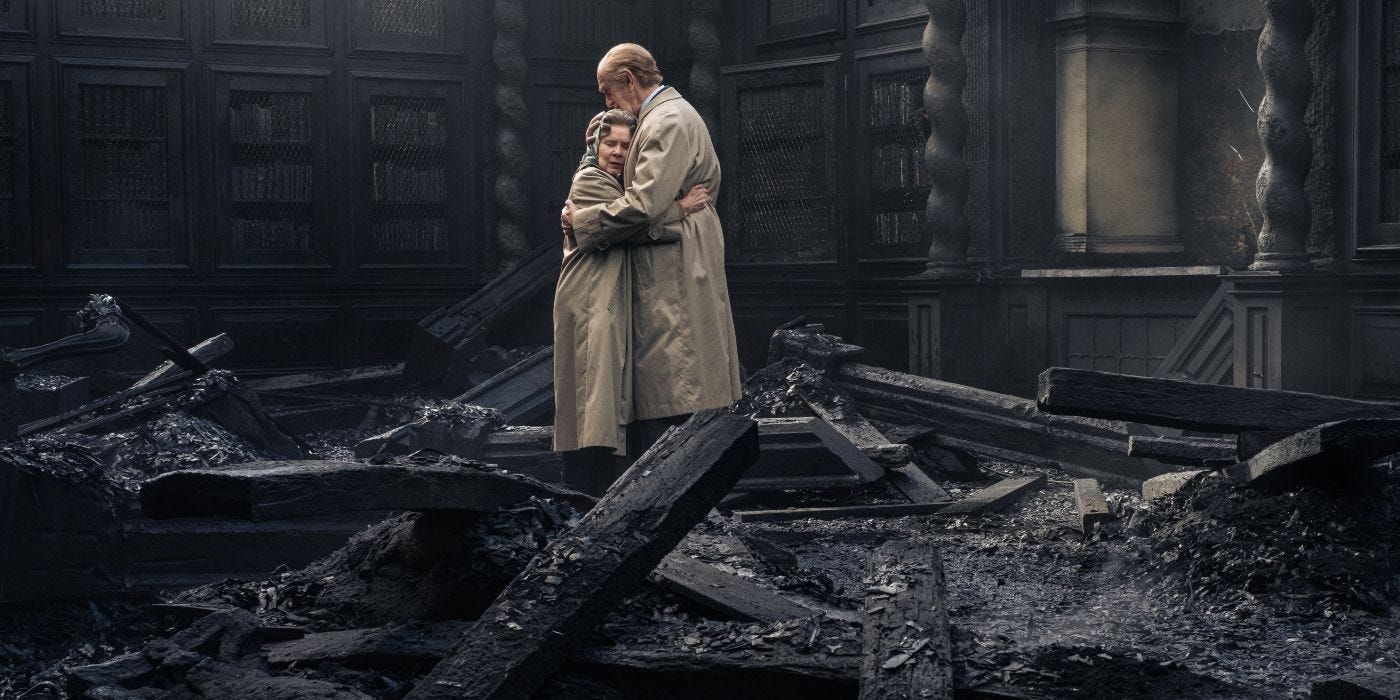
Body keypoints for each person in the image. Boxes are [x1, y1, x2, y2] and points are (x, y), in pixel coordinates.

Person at [562, 43, 744, 460]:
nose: (606, 102)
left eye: (609, 91)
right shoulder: (664, 115)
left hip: (674, 258)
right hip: (677, 248)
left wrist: (583, 222)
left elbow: (644, 206)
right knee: (675, 371)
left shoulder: (664, 122)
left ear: (629, 79)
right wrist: (598, 136)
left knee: (673, 373)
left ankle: (673, 478)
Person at [553, 108, 709, 496]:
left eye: (626, 145)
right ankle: (584, 488)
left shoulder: (616, 182)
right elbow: (633, 220)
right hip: (589, 297)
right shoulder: (590, 181)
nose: (619, 152)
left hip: (606, 295)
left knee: (602, 392)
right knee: (593, 392)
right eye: (610, 143)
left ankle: (598, 486)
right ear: (595, 145)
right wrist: (679, 208)